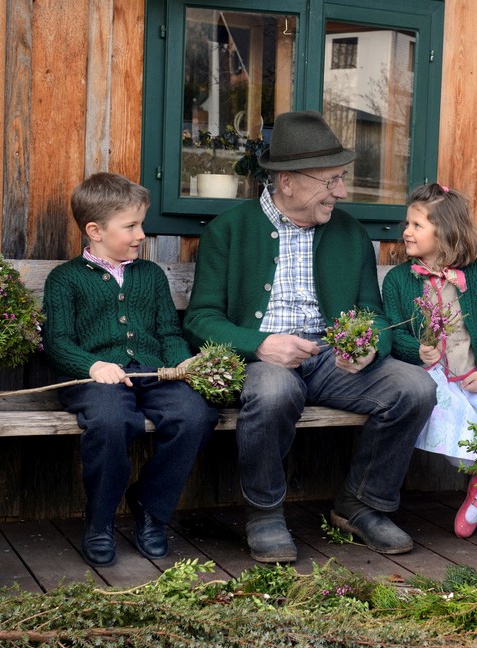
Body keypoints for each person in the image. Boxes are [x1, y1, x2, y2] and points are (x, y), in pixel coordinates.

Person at [183, 110, 437, 563]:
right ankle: (264, 513)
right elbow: (200, 319)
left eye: (341, 179)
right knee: (273, 390)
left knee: (415, 387)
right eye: (331, 181)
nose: (340, 191)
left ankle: (362, 504)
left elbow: (371, 313)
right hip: (265, 360)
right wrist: (259, 344)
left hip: (331, 360)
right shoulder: (229, 232)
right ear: (287, 182)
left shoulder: (348, 233)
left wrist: (366, 347)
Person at [43, 172, 219, 567]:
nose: (141, 234)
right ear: (95, 230)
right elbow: (57, 343)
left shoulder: (150, 276)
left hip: (153, 374)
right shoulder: (65, 280)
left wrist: (182, 362)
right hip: (95, 380)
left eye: (141, 223)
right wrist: (93, 365)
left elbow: (168, 332)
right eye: (131, 226)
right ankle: (100, 519)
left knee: (195, 414)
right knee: (109, 420)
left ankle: (151, 507)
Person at [381, 183, 477, 538]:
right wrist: (416, 350)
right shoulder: (397, 282)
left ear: (446, 231)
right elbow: (393, 332)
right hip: (432, 381)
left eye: (417, 225)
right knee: (457, 435)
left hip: (474, 375)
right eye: (408, 223)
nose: (406, 231)